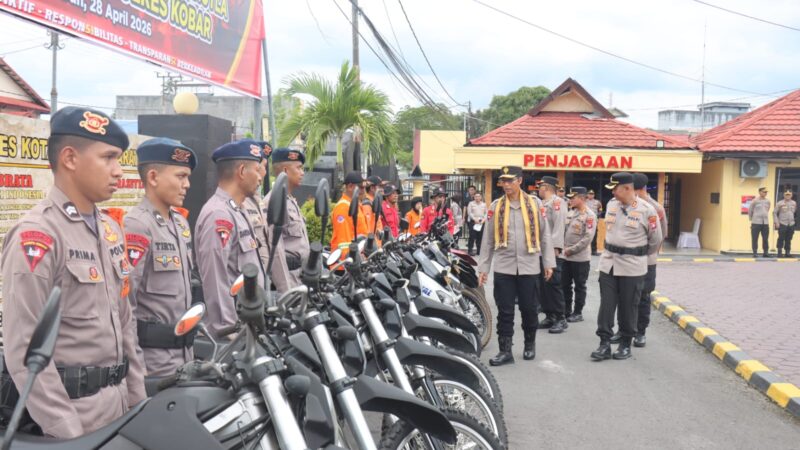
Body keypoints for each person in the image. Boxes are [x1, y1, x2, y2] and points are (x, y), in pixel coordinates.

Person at [1, 107, 145, 438]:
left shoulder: (110, 229)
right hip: (71, 418)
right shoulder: (37, 234)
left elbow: (125, 324)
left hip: (120, 408)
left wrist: (139, 403)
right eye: (108, 158)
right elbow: (23, 350)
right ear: (69, 158)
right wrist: (71, 435)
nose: (118, 171)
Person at [124, 138, 198, 377]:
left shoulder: (179, 222)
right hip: (153, 364)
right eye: (180, 176)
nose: (187, 185)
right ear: (153, 177)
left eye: (187, 177)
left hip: (185, 355)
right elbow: (125, 306)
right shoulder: (137, 225)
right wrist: (135, 370)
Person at [478, 166, 554, 366]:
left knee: (529, 309)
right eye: (503, 181)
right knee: (505, 310)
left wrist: (548, 263)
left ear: (520, 181)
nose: (506, 184)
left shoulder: (535, 204)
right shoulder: (495, 206)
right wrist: (483, 269)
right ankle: (505, 351)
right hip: (504, 267)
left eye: (510, 180)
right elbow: (487, 240)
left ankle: (530, 344)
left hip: (529, 267)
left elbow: (545, 235)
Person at [195, 139, 266, 336]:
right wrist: (227, 328)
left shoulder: (237, 209)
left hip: (248, 323)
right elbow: (215, 276)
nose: (261, 177)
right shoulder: (219, 215)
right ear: (242, 171)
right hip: (235, 329)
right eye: (257, 169)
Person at [591, 173, 662, 362]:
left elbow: (655, 240)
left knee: (628, 307)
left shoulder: (647, 210)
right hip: (609, 263)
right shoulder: (612, 205)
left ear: (628, 188)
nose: (613, 192)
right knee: (606, 305)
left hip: (632, 266)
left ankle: (625, 344)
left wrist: (638, 255)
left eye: (616, 189)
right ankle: (604, 343)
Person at [263, 148, 309, 293]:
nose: (302, 173)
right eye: (298, 168)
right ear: (285, 170)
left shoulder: (289, 199)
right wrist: (286, 291)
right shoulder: (274, 201)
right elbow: (275, 250)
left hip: (300, 277)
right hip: (289, 281)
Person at [628, 173, 666, 347]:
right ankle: (627, 329)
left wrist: (644, 253)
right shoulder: (627, 205)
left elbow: (660, 236)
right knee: (628, 296)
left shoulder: (655, 208)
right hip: (629, 262)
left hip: (647, 261)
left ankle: (640, 332)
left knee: (643, 297)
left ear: (640, 189)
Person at [537, 176, 568, 334]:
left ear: (547, 188)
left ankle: (560, 318)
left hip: (552, 250)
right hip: (541, 250)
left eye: (540, 186)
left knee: (554, 284)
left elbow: (559, 225)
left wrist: (555, 247)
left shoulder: (558, 202)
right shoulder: (542, 203)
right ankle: (549, 315)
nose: (538, 189)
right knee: (544, 285)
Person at [561, 187, 597, 323]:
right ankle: (566, 310)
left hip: (580, 257)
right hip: (566, 256)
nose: (570, 200)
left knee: (580, 286)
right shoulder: (571, 213)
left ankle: (578, 312)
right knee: (565, 285)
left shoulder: (589, 215)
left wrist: (572, 250)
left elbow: (588, 237)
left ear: (582, 198)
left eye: (573, 197)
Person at [243, 141, 272, 271]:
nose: (263, 172)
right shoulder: (239, 203)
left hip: (264, 277)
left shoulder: (258, 200)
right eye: (260, 167)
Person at [331, 171, 369, 252]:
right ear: (350, 186)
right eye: (361, 187)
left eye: (364, 187)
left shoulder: (355, 204)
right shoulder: (343, 208)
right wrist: (352, 260)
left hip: (358, 255)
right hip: (347, 261)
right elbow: (344, 242)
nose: (363, 190)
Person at [748, 187, 771, 257]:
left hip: (765, 223)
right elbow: (750, 210)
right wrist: (752, 219)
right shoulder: (754, 201)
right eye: (764, 192)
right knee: (755, 238)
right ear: (760, 192)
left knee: (765, 238)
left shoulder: (768, 201)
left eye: (766, 192)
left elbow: (767, 209)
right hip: (756, 222)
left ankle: (766, 252)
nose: (765, 193)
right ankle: (755, 253)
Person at [774, 190, 797, 258]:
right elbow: (774, 213)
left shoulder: (794, 203)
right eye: (786, 194)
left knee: (789, 239)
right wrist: (776, 222)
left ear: (791, 195)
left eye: (789, 194)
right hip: (782, 223)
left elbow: (794, 212)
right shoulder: (780, 203)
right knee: (781, 238)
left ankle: (787, 252)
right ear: (784, 195)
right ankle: (779, 252)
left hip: (791, 224)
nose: (788, 196)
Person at [586, 189, 603, 255]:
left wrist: (598, 215)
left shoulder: (597, 202)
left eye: (592, 194)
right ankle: (585, 251)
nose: (591, 195)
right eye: (589, 194)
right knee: (585, 236)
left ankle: (594, 250)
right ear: (587, 195)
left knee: (594, 236)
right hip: (586, 221)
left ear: (594, 195)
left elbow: (600, 210)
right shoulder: (584, 201)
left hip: (594, 221)